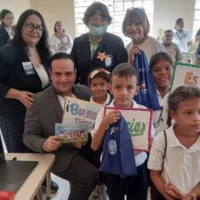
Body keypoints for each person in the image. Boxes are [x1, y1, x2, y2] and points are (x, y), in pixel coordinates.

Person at [23, 52, 99, 200]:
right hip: (61, 154)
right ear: (50, 74)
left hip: (88, 146)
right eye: (58, 74)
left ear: (75, 73)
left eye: (68, 74)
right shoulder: (37, 101)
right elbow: (28, 136)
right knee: (89, 176)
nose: (63, 79)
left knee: (112, 169)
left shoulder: (86, 92)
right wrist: (43, 143)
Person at [0, 9, 59, 192]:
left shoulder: (44, 51)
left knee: (40, 145)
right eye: (30, 25)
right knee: (22, 150)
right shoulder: (8, 52)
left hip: (37, 112)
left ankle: (43, 178)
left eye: (39, 27)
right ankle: (25, 186)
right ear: (20, 27)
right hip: (15, 113)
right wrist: (17, 94)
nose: (35, 31)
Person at [91, 63, 155, 200]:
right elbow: (94, 146)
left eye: (130, 87)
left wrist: (128, 153)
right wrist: (105, 123)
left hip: (137, 168)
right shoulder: (104, 113)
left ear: (137, 89)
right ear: (110, 88)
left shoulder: (143, 112)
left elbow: (150, 144)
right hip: (112, 170)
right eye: (118, 87)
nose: (124, 93)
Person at [148, 86, 200, 200]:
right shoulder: (162, 139)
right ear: (173, 115)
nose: (196, 118)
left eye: (199, 112)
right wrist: (168, 195)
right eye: (188, 113)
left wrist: (190, 197)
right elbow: (154, 173)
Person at [71, 2, 128, 85]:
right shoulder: (78, 42)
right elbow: (74, 71)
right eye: (94, 19)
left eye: (103, 19)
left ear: (108, 22)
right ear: (87, 21)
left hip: (108, 93)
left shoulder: (116, 42)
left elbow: (121, 72)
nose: (98, 23)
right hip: (83, 92)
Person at [149, 52, 174, 134]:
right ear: (150, 73)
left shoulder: (179, 94)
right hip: (150, 143)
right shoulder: (146, 95)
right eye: (157, 70)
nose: (163, 72)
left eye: (167, 68)